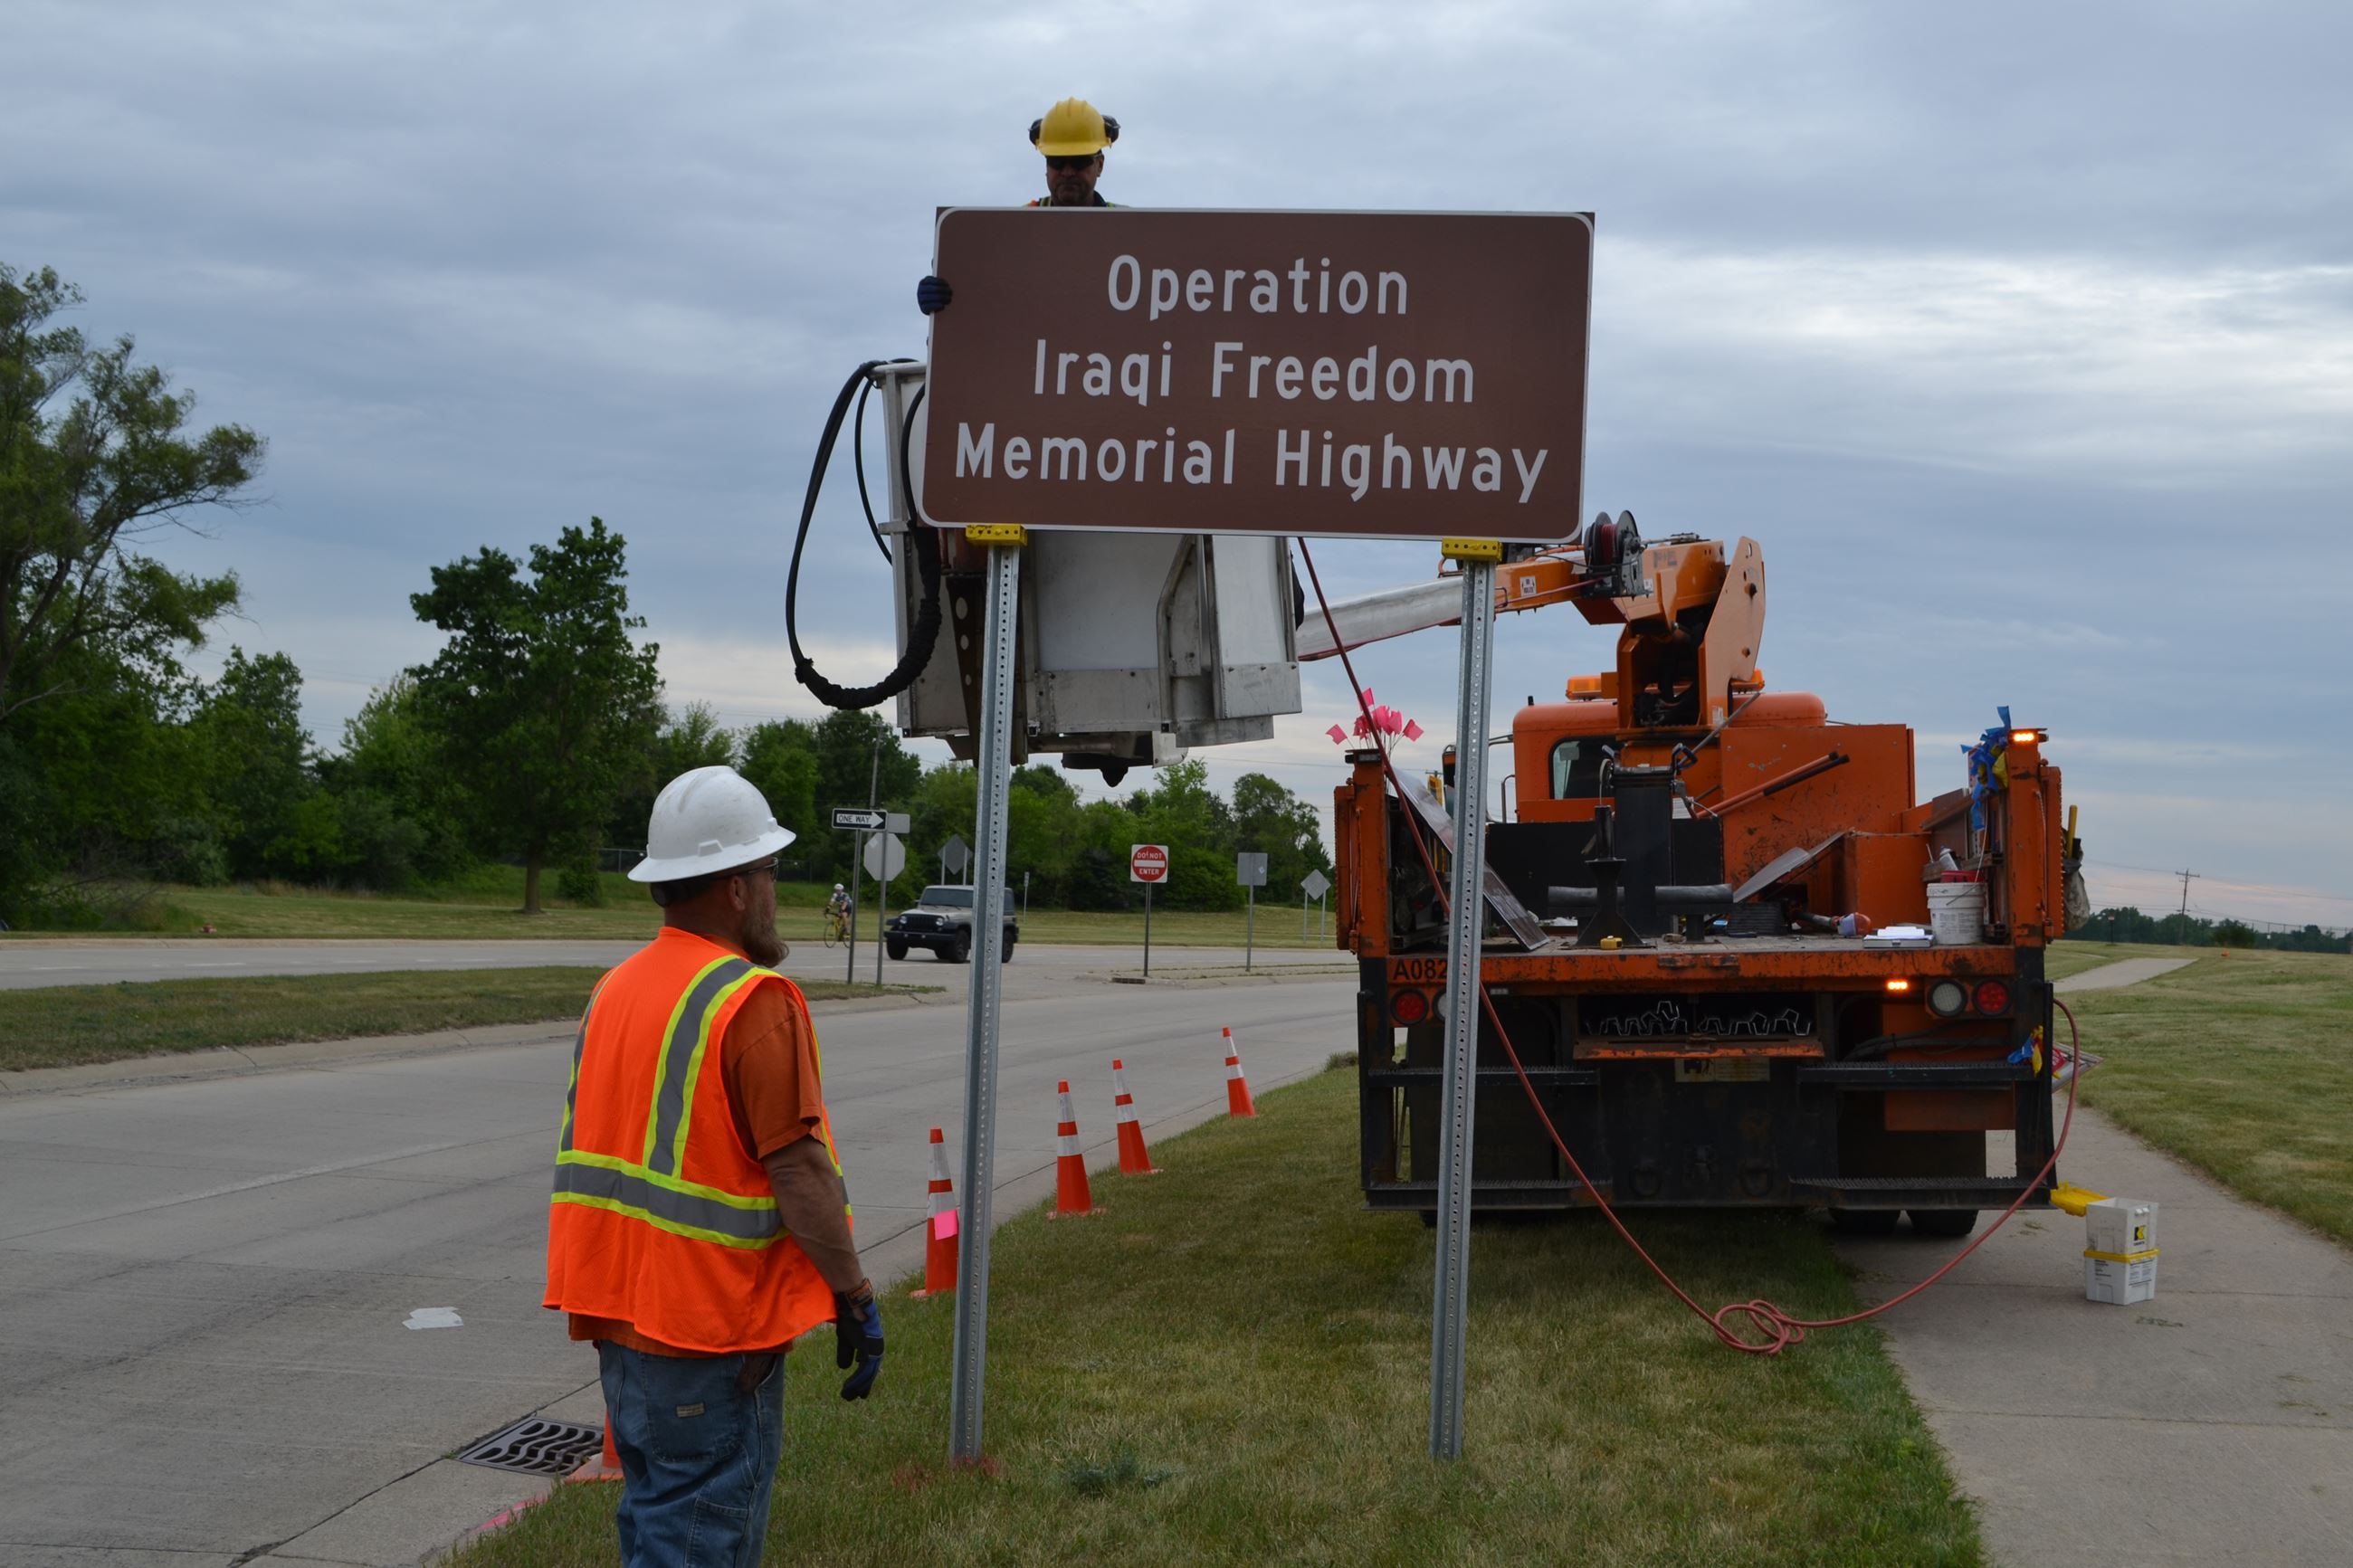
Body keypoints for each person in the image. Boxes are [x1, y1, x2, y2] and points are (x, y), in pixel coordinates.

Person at [544, 765, 881, 1565]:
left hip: (623, 1325)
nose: (775, 888)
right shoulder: (754, 1000)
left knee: (657, 1522)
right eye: (769, 871)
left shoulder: (615, 988)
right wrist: (854, 1294)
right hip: (709, 1337)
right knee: (697, 1540)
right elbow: (800, 1173)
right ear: (736, 887)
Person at [916, 97, 1121, 316]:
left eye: (1079, 161)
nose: (1068, 172)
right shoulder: (1014, 230)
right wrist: (951, 294)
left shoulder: (1127, 228)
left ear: (1099, 165)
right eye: (1057, 161)